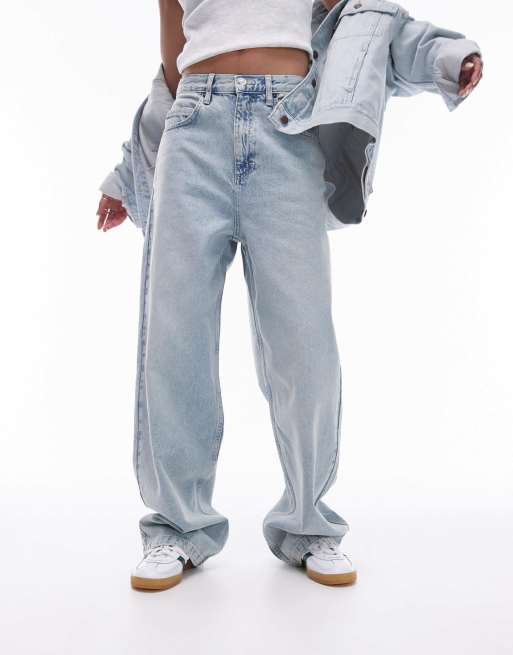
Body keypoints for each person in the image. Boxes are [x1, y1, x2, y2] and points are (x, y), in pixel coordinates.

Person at [96, 0, 483, 591]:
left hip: (288, 127)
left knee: (305, 346)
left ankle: (308, 523)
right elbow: (172, 72)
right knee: (176, 342)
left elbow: (369, 21)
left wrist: (447, 57)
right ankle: (176, 526)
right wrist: (130, 172)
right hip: (191, 130)